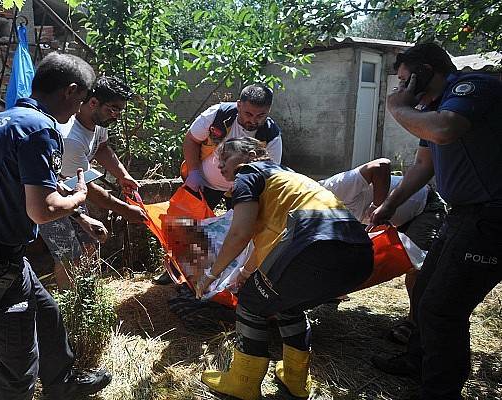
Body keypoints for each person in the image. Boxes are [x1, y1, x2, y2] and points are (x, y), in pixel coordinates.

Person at [0, 53, 111, 400]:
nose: (79, 110)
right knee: (19, 365)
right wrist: (80, 196)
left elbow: (29, 186)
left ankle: (62, 387)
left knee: (47, 317)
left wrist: (81, 216)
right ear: (71, 91)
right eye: (81, 100)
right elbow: (43, 210)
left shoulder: (4, 120)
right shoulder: (40, 131)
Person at [369, 42, 502, 400]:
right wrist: (388, 206)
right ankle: (419, 361)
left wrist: (397, 108)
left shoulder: (472, 88)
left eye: (404, 79)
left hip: (491, 217)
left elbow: (445, 130)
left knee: (443, 308)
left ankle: (440, 390)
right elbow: (423, 165)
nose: (401, 88)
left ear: (426, 70)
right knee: (425, 291)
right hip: (462, 214)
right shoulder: (435, 106)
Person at [196, 137, 373, 399]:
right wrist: (244, 274)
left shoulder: (249, 173)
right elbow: (266, 240)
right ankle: (295, 378)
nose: (219, 164)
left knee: (250, 303)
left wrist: (211, 275)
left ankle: (243, 382)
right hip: (360, 254)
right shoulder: (288, 179)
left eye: (225, 157)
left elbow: (240, 232)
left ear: (253, 154)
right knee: (287, 304)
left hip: (314, 248)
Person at [319, 157, 446, 343]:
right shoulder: (315, 215)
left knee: (415, 267)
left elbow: (381, 165)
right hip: (392, 220)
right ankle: (338, 293)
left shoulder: (333, 188)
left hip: (424, 207)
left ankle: (414, 323)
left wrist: (380, 205)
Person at [39, 76, 147, 288]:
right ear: (93, 102)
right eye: (113, 109)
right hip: (50, 197)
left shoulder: (98, 121)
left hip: (73, 193)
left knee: (90, 243)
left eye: (120, 111)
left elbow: (103, 148)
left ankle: (87, 293)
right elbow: (87, 188)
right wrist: (126, 210)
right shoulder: (71, 138)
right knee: (69, 256)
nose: (116, 116)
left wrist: (122, 174)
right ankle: (70, 308)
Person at [182, 83, 282, 209]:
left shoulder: (272, 135)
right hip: (202, 182)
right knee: (185, 224)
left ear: (269, 110)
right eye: (248, 114)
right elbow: (191, 140)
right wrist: (194, 173)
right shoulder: (217, 114)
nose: (253, 120)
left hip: (241, 190)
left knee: (238, 228)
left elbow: (268, 174)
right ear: (239, 105)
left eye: (260, 116)